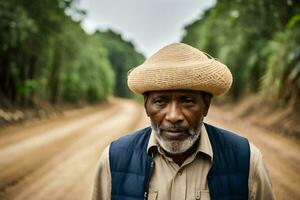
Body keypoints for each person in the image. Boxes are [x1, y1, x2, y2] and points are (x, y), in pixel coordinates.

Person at [91, 43, 275, 200]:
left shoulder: (247, 160)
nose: (173, 116)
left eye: (187, 100)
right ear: (146, 106)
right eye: (160, 101)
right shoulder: (112, 160)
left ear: (206, 105)